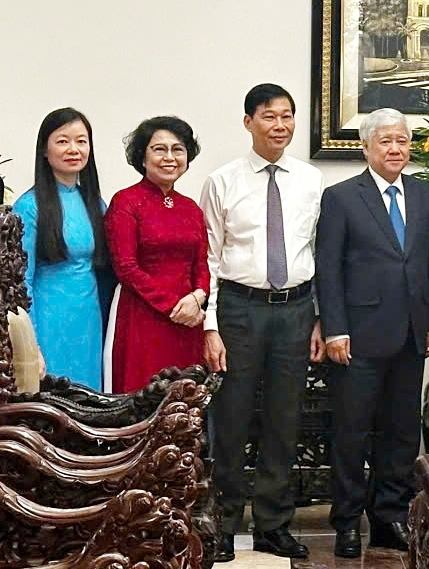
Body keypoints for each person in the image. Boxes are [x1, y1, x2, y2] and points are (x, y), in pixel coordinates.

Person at [200, 84, 326, 562]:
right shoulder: (223, 181)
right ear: (248, 121)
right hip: (239, 309)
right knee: (230, 420)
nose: (280, 125)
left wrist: (319, 317)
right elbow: (209, 259)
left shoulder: (312, 181)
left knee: (284, 418)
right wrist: (210, 326)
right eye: (269, 116)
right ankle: (226, 522)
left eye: (288, 116)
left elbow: (319, 254)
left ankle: (274, 523)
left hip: (296, 310)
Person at [316, 108, 429, 558]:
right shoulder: (341, 197)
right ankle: (348, 522)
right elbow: (328, 270)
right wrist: (334, 328)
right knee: (352, 434)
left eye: (403, 141)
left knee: (400, 434)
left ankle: (389, 517)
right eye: (386, 142)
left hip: (411, 333)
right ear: (367, 147)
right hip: (358, 335)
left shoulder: (425, 194)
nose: (396, 149)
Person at [105, 116, 208, 394]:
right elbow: (126, 267)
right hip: (143, 317)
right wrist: (174, 306)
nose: (169, 157)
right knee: (143, 398)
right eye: (159, 149)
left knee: (184, 402)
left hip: (190, 320)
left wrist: (198, 297)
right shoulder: (126, 201)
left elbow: (201, 264)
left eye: (178, 149)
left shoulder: (191, 208)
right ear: (142, 155)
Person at [13, 108, 109, 389]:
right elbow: (20, 282)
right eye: (63, 141)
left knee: (91, 402)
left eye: (81, 141)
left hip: (89, 320)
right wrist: (30, 346)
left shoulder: (95, 204)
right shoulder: (29, 207)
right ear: (45, 149)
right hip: (48, 318)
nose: (74, 149)